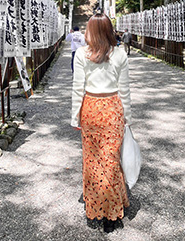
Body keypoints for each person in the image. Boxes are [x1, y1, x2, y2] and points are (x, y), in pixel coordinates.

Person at [71, 13, 132, 233]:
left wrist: (74, 116)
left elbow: (78, 88)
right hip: (113, 108)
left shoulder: (81, 54)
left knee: (93, 160)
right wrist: (128, 118)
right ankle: (112, 213)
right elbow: (124, 90)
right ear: (108, 30)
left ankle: (96, 206)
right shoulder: (120, 54)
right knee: (111, 160)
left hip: (91, 109)